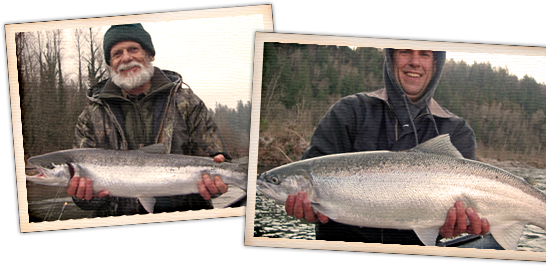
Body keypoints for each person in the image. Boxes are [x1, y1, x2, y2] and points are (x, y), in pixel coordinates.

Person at [284, 48, 504, 248]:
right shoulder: (349, 111)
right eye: (405, 52)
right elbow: (311, 196)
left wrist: (458, 225)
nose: (415, 62)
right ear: (390, 59)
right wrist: (307, 212)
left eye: (425, 54)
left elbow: (463, 215)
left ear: (435, 65)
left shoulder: (456, 130)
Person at [66, 23, 230, 217]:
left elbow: (217, 160)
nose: (126, 58)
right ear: (111, 65)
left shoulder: (187, 103)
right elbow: (86, 202)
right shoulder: (91, 116)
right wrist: (87, 197)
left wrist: (218, 183)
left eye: (133, 49)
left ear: (149, 55)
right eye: (117, 54)